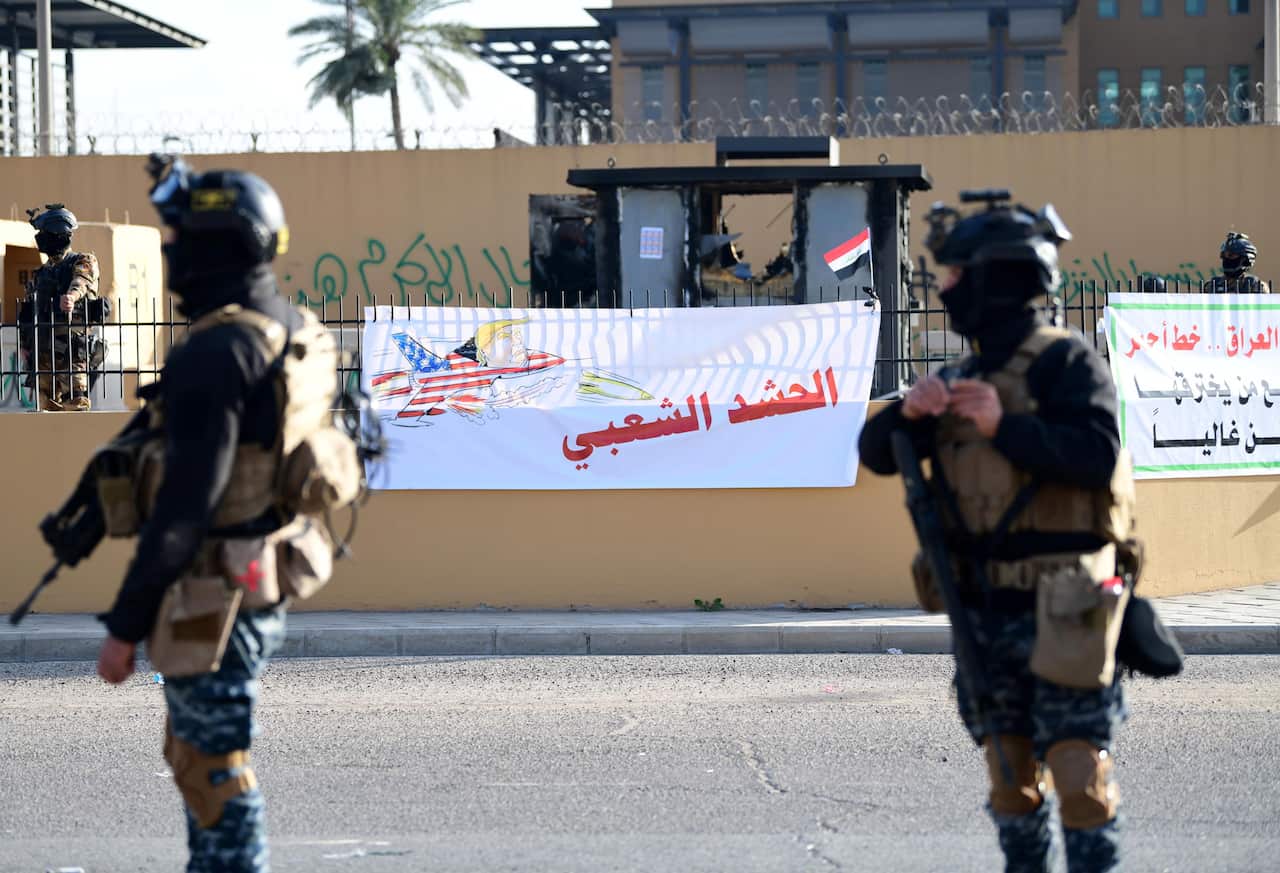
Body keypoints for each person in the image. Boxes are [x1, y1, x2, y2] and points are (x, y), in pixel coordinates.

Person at [859, 190, 1137, 873]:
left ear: (997, 277)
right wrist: (909, 416)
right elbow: (872, 452)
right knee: (1010, 775)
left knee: (1078, 773)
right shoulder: (961, 375)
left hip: (1068, 602)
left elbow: (1099, 454)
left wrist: (1004, 427)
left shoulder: (1066, 363)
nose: (946, 288)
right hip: (985, 607)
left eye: (956, 275)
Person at [94, 155, 346, 872]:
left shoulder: (220, 347)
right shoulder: (284, 324)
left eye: (177, 242)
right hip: (256, 573)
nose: (169, 255)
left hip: (214, 591)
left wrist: (123, 626)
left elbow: (185, 503)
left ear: (216, 246)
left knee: (216, 772)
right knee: (199, 756)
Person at [18, 204, 102, 410]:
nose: (41, 238)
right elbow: (30, 311)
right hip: (44, 349)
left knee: (76, 403)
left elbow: (82, 281)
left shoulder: (82, 261)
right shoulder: (41, 273)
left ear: (59, 234)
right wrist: (25, 345)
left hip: (71, 347)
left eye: (45, 233)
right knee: (45, 406)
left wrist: (71, 298)